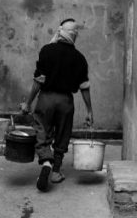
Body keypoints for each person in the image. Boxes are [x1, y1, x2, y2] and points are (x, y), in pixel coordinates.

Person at [19, 18, 94, 192]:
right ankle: (56, 171)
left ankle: (46, 161)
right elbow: (84, 87)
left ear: (59, 32)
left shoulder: (47, 51)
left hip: (46, 98)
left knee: (41, 129)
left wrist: (28, 103)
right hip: (66, 102)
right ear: (74, 35)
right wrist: (89, 111)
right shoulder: (80, 58)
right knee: (62, 135)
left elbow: (39, 81)